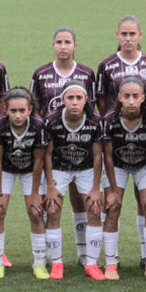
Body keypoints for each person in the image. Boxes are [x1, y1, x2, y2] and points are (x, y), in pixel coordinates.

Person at [30, 27, 97, 268]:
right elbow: (34, 111)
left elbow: (93, 112)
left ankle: (83, 254)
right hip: (53, 148)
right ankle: (50, 254)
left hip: (80, 148)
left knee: (81, 201)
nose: (63, 46)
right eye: (58, 41)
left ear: (75, 45)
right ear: (53, 45)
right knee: (52, 202)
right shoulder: (41, 74)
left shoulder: (87, 74)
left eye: (67, 41)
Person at [44, 82, 105, 280]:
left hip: (86, 168)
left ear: (86, 100)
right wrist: (51, 186)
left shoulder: (95, 121)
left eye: (79, 98)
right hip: (59, 167)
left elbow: (98, 157)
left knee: (95, 208)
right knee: (53, 208)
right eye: (70, 98)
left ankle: (92, 264)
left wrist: (96, 188)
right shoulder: (52, 121)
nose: (75, 102)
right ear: (62, 101)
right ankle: (57, 263)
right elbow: (47, 154)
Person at [0, 88, 48, 278]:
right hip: (5, 169)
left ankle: (39, 263)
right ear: (5, 110)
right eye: (13, 111)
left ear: (30, 110)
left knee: (35, 212)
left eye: (22, 111)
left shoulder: (38, 125)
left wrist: (35, 194)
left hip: (30, 171)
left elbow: (39, 160)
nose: (17, 115)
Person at [101, 77, 146, 279]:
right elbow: (106, 155)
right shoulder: (109, 120)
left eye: (135, 96)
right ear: (119, 98)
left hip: (144, 165)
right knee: (112, 207)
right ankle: (110, 262)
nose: (131, 101)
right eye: (127, 96)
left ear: (143, 98)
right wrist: (113, 190)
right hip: (117, 165)